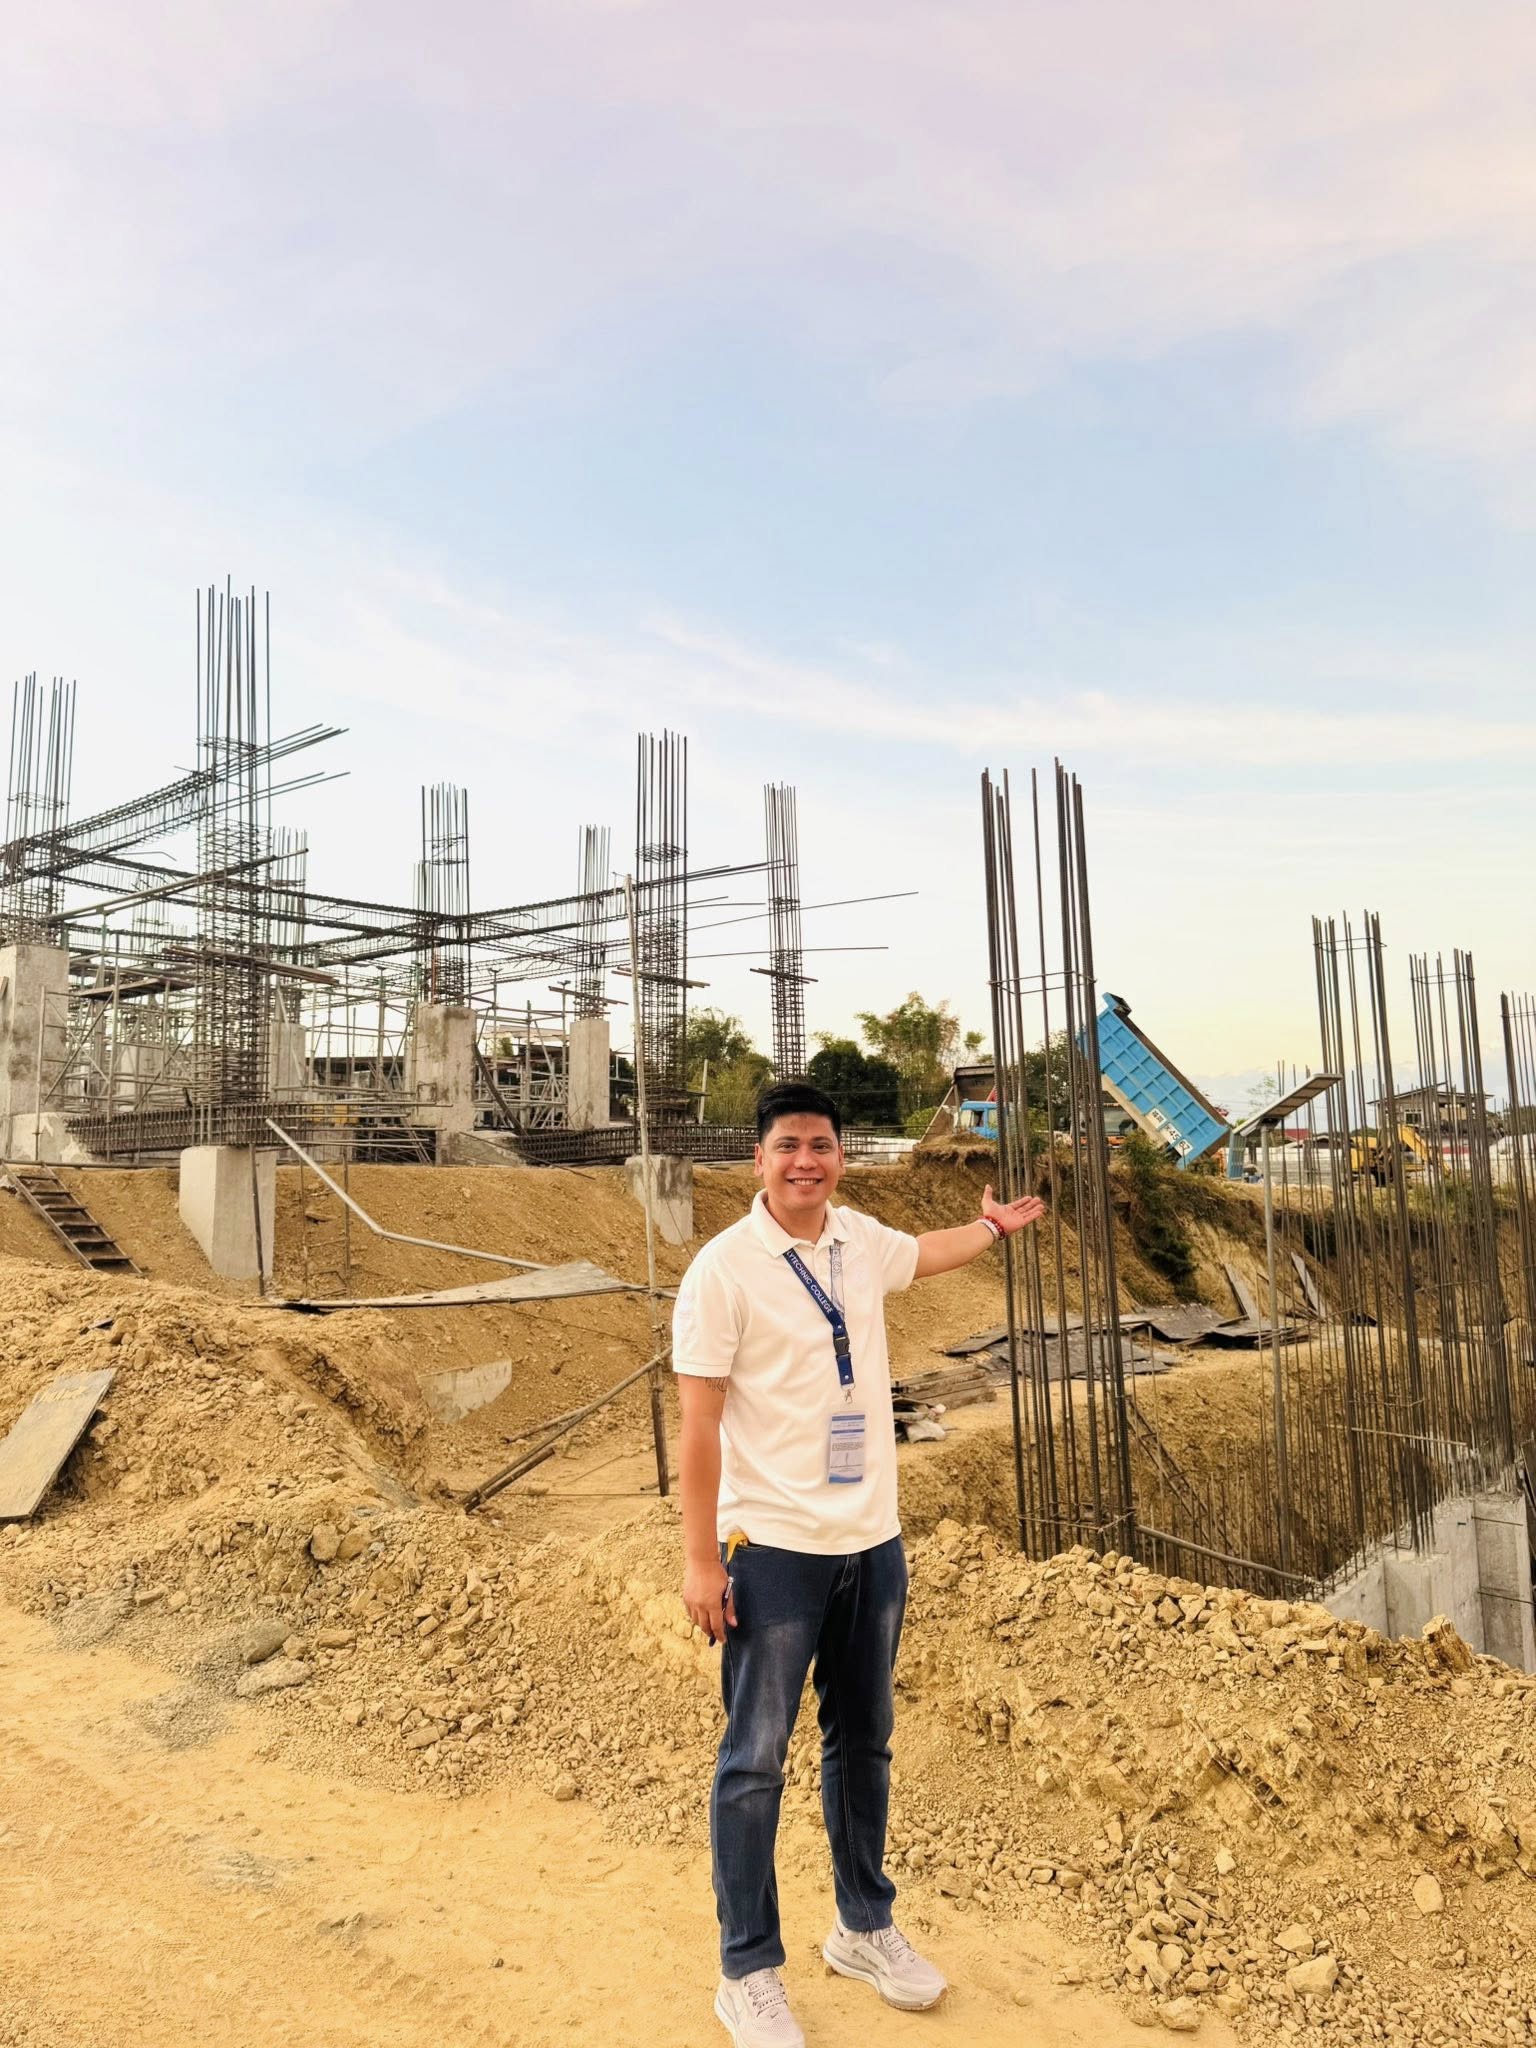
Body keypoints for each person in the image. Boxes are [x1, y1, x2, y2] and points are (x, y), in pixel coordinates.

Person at [672, 1079, 1045, 2048]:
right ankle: (747, 1970)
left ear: (841, 1156)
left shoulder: (857, 1239)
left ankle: (863, 1926)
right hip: (774, 1550)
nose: (806, 1161)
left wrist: (992, 1228)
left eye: (822, 1145)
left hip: (871, 1541)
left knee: (864, 1742)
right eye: (788, 1145)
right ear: (759, 1158)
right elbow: (699, 1425)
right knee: (754, 1762)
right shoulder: (723, 1270)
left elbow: (926, 1253)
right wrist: (701, 1560)